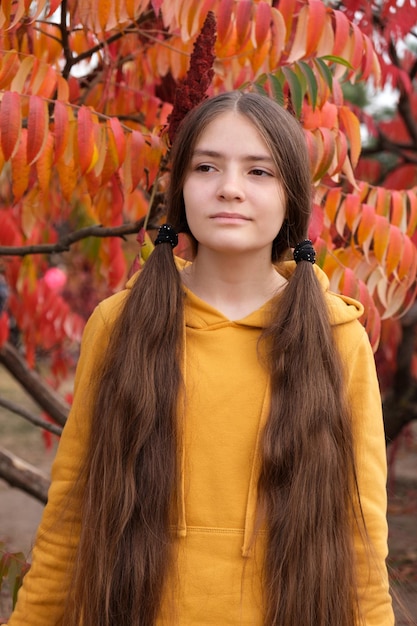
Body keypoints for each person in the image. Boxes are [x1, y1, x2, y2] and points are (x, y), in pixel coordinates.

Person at [7, 91, 394, 626]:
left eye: (258, 172)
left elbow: (362, 538)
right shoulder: (119, 326)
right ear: (181, 189)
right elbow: (71, 516)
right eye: (206, 166)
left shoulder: (336, 338)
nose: (229, 189)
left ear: (291, 197)